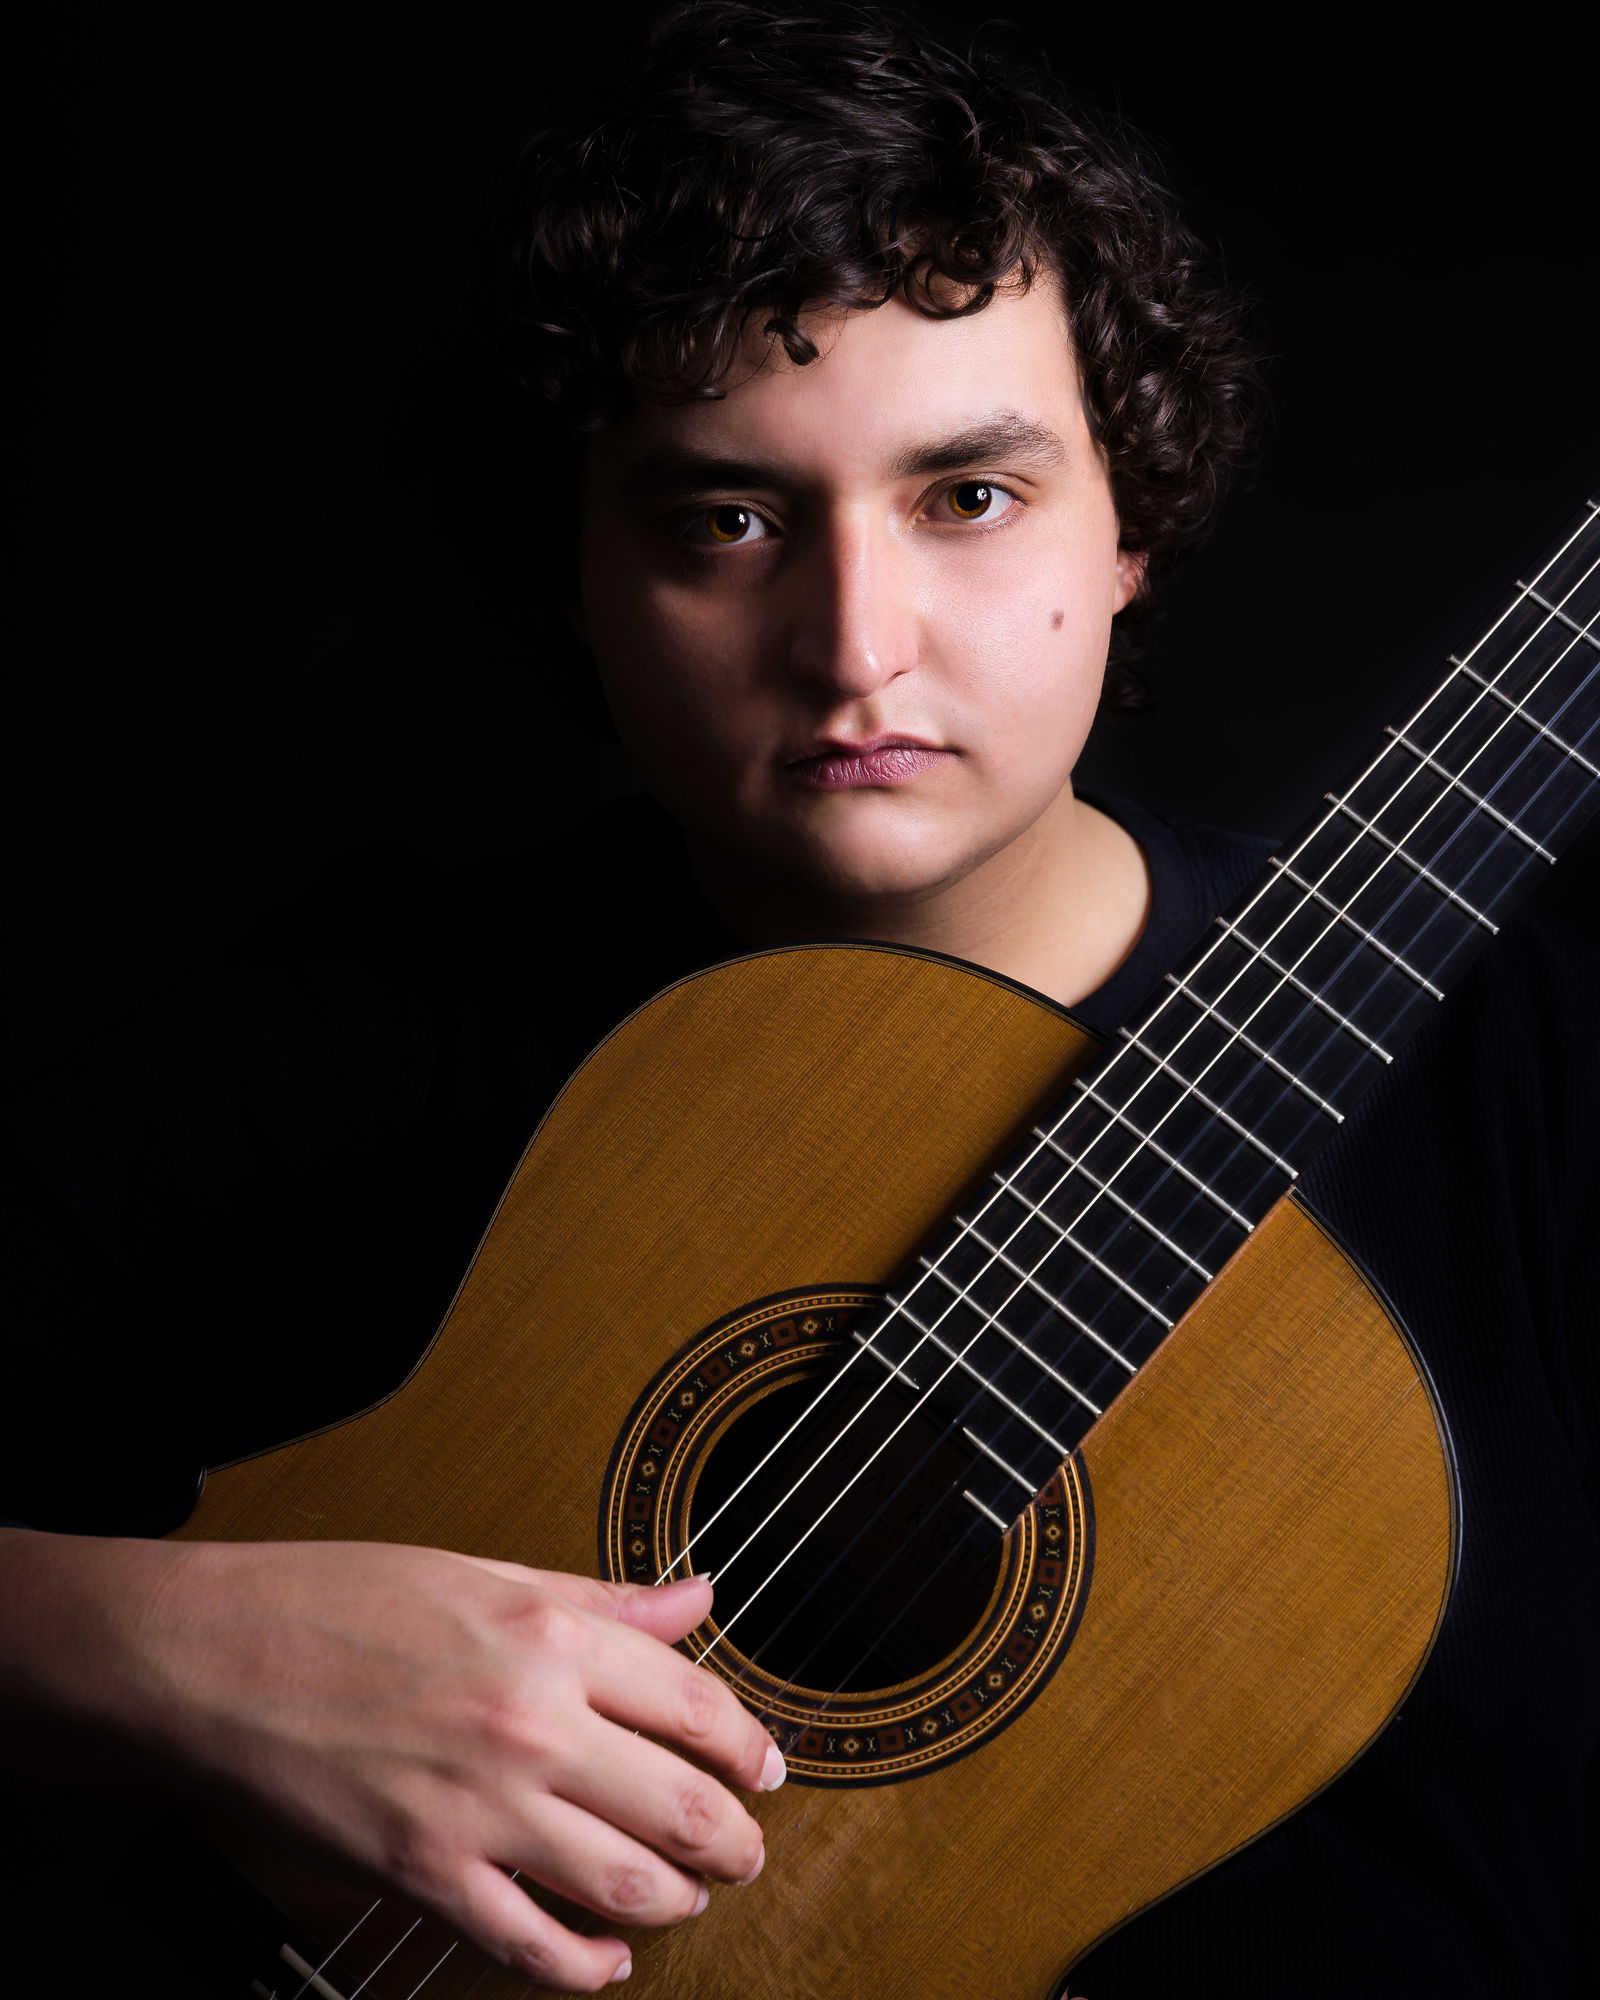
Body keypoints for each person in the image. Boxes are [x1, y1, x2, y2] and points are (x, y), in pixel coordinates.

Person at [2, 3, 1594, 1995]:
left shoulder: (1527, 1070)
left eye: (969, 496)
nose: (851, 645)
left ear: (1130, 523)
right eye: (726, 521)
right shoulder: (363, 1042)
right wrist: (172, 1649)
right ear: (576, 575)